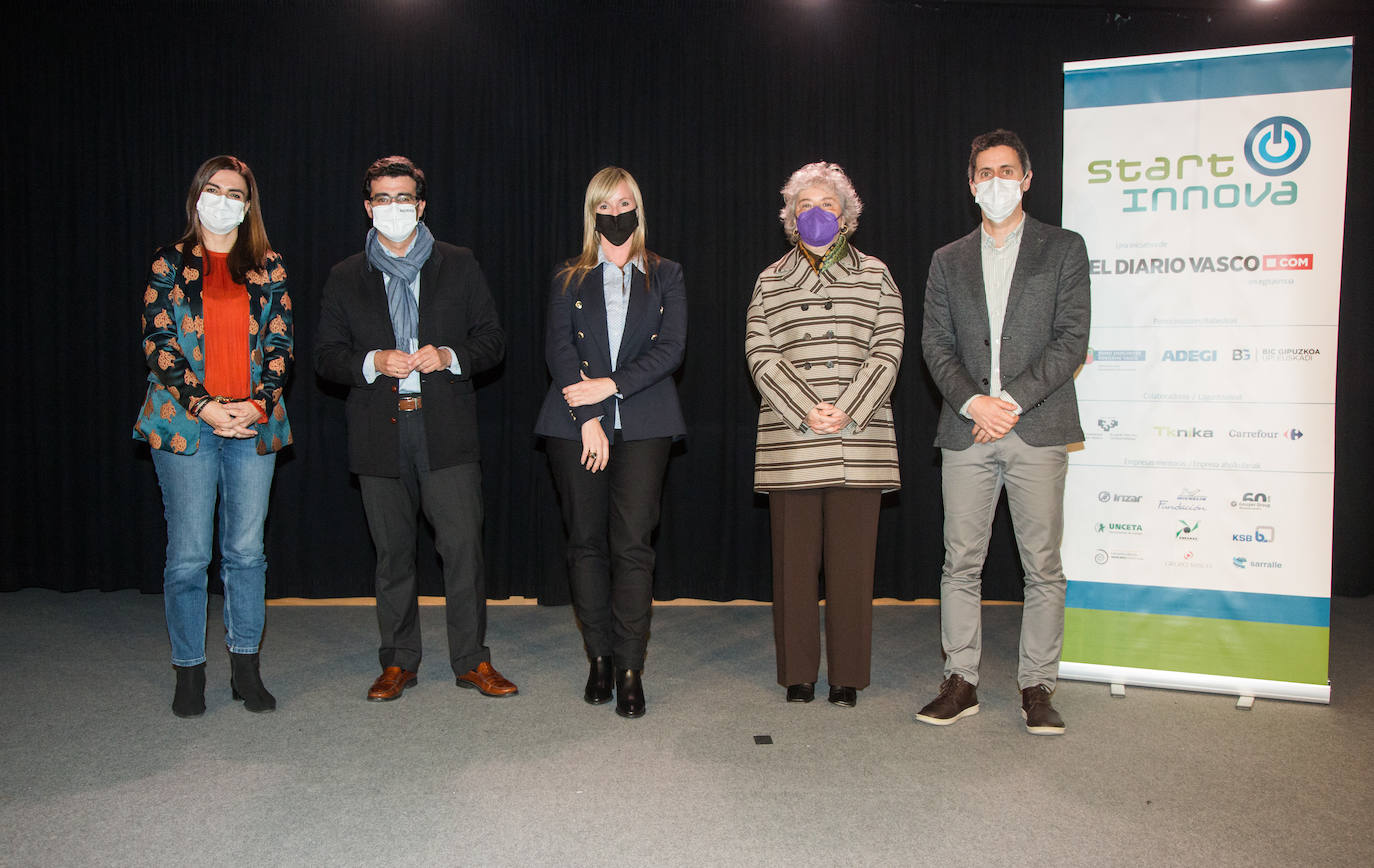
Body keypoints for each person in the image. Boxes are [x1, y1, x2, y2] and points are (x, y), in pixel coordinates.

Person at [315, 155, 517, 703]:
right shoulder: (344, 276)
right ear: (368, 206)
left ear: (421, 205)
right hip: (380, 434)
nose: (393, 208)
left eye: (404, 198)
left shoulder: (459, 263)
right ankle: (399, 662)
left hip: (446, 430)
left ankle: (472, 660)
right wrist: (372, 362)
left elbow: (493, 340)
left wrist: (450, 355)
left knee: (463, 552)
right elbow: (325, 357)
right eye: (382, 198)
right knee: (393, 556)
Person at [917, 129, 1090, 735]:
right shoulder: (947, 259)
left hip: (1035, 427)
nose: (996, 181)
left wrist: (1008, 402)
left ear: (1027, 177)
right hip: (967, 431)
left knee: (1041, 565)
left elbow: (1071, 338)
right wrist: (972, 403)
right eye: (985, 172)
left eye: (1006, 170)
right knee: (960, 562)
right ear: (971, 184)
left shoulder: (1064, 249)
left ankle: (1037, 686)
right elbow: (934, 344)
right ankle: (960, 680)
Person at [133, 155, 293, 718]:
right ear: (197, 194)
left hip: (252, 423)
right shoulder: (168, 262)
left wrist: (255, 404)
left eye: (235, 192)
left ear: (248, 204)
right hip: (185, 426)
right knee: (188, 555)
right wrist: (205, 407)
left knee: (246, 553)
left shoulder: (268, 264)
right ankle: (188, 672)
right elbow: (158, 343)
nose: (223, 199)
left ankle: (245, 667)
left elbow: (280, 344)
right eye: (214, 189)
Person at [745, 161, 904, 708]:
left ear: (847, 216)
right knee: (792, 568)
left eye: (828, 205)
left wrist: (849, 408)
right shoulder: (769, 280)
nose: (816, 214)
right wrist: (805, 408)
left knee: (853, 567)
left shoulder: (878, 275)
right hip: (793, 442)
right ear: (790, 218)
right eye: (805, 206)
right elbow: (759, 352)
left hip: (859, 442)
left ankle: (848, 677)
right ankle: (797, 673)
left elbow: (889, 347)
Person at [534, 167, 687, 719]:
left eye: (626, 202)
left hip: (645, 424)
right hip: (575, 424)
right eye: (607, 203)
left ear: (637, 208)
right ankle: (597, 655)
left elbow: (672, 350)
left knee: (632, 546)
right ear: (593, 211)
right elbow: (558, 352)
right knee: (585, 544)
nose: (617, 212)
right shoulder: (567, 277)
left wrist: (614, 387)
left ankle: (629, 667)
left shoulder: (665, 273)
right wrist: (592, 417)